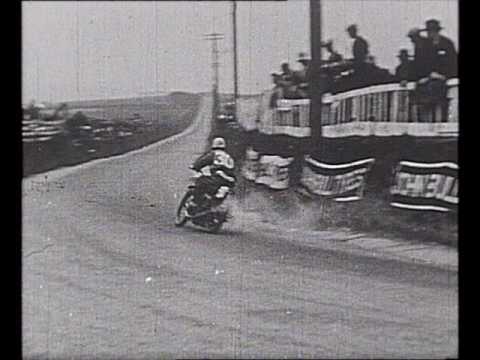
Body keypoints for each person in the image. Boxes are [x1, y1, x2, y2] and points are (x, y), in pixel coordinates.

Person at [188, 137, 236, 215]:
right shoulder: (229, 157)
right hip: (230, 180)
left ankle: (195, 203)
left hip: (218, 178)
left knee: (201, 181)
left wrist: (195, 166)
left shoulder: (214, 154)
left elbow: (202, 161)